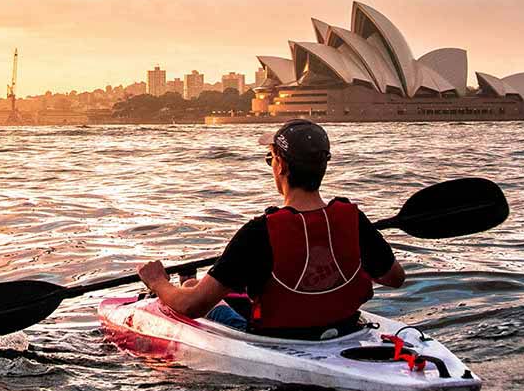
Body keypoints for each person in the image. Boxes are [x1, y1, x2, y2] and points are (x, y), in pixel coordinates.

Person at [137, 119, 405, 339]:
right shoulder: (353, 219)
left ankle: (185, 283)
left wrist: (157, 281)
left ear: (282, 166)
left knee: (196, 296)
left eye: (270, 158)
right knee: (205, 288)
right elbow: (395, 278)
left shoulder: (259, 232)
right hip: (345, 330)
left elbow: (192, 306)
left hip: (275, 339)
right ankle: (189, 282)